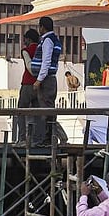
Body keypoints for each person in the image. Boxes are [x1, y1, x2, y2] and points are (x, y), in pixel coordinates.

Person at [29, 16, 63, 147]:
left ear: (42, 27)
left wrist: (39, 80)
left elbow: (46, 62)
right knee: (47, 108)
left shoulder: (48, 40)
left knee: (46, 110)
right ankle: (48, 138)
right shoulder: (54, 39)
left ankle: (48, 138)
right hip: (49, 78)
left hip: (46, 79)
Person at [14, 28, 40, 147]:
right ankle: (36, 139)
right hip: (40, 84)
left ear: (28, 39)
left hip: (28, 84)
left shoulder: (26, 51)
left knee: (21, 111)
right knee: (38, 113)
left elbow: (29, 67)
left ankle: (22, 138)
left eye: (25, 39)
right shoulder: (41, 49)